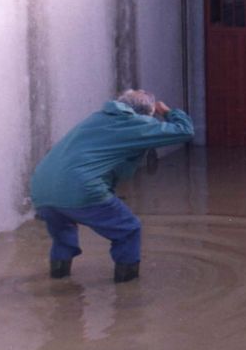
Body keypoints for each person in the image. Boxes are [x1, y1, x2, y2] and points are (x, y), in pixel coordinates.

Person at [30, 90, 195, 283]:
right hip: (81, 188)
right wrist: (167, 112)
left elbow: (113, 167)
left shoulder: (97, 118)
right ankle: (127, 289)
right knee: (129, 229)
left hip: (41, 189)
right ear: (147, 113)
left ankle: (58, 279)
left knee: (63, 231)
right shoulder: (137, 124)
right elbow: (185, 130)